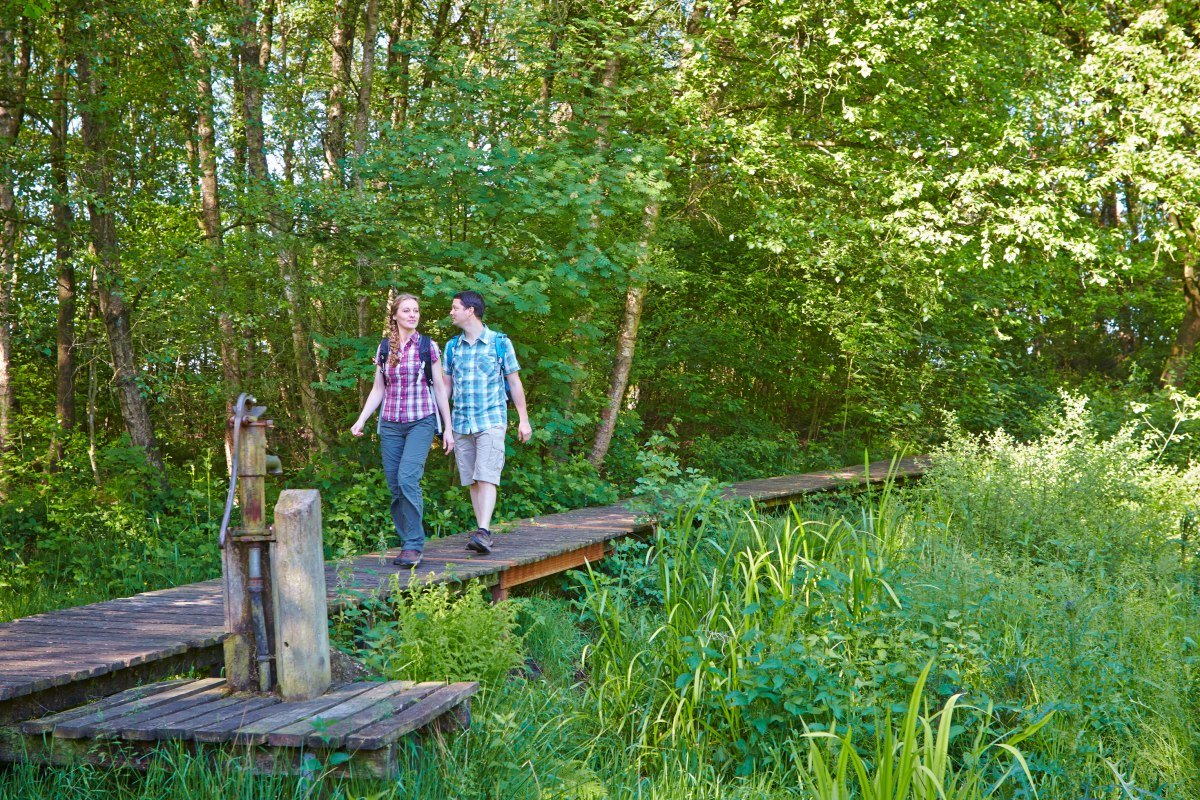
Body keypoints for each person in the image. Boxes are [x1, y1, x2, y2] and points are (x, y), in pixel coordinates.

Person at [351, 293, 454, 568]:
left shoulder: (428, 346)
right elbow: (378, 388)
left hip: (421, 420)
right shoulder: (385, 347)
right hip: (391, 424)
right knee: (396, 486)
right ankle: (407, 539)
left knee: (408, 478)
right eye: (406, 310)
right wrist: (362, 420)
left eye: (416, 311)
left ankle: (413, 545)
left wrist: (448, 428)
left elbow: (441, 390)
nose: (412, 315)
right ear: (395, 315)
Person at [443, 290, 532, 554]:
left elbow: (514, 382)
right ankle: (482, 531)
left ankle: (483, 530)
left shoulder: (499, 343)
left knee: (486, 474)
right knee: (472, 479)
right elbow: (446, 387)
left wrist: (523, 420)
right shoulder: (451, 347)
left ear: (470, 310)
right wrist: (442, 421)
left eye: (455, 307)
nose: (451, 312)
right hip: (461, 421)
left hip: (491, 419)